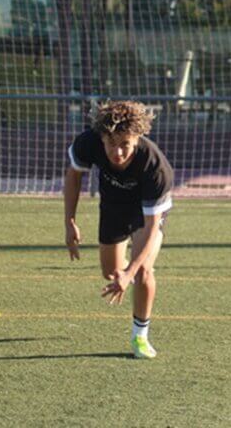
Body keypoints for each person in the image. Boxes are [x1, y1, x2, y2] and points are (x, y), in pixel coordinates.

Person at [63, 100, 173, 359]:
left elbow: (151, 225)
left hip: (144, 211)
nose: (118, 152)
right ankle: (132, 275)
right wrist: (69, 222)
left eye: (125, 144)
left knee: (143, 268)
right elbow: (73, 176)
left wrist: (132, 271)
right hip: (112, 205)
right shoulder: (88, 142)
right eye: (112, 144)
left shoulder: (155, 167)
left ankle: (140, 337)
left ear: (137, 138)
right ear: (102, 138)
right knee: (111, 272)